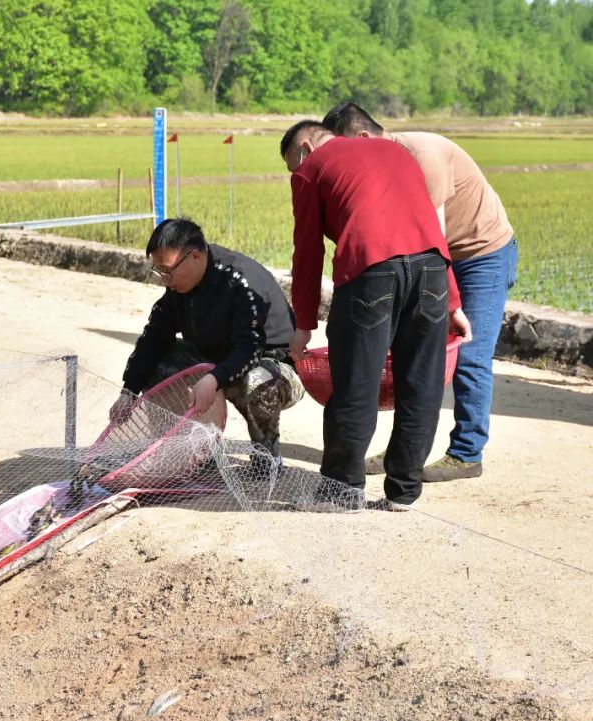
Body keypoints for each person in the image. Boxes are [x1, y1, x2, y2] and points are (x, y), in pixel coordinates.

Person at [280, 120, 472, 511]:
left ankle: (341, 492)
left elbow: (307, 253)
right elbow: (430, 228)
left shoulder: (311, 168)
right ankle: (404, 492)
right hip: (432, 272)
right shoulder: (396, 153)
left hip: (370, 271)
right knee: (422, 385)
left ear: (304, 147)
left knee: (355, 383)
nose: (295, 172)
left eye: (293, 164)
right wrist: (453, 303)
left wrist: (303, 326)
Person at [321, 103, 518, 482]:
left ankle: (466, 452)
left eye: (344, 149)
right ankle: (403, 452)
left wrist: (448, 302)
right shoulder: (382, 163)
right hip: (431, 261)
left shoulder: (422, 156)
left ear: (362, 138)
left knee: (468, 352)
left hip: (480, 255)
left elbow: (433, 239)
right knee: (406, 354)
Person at [113, 217, 304, 467]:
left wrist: (213, 379)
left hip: (271, 366)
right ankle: (195, 452)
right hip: (214, 361)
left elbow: (249, 349)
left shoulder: (241, 281)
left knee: (258, 381)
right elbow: (153, 338)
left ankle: (266, 459)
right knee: (159, 362)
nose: (163, 279)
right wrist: (129, 391)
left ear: (194, 256)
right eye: (158, 271)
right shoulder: (177, 289)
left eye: (167, 271)